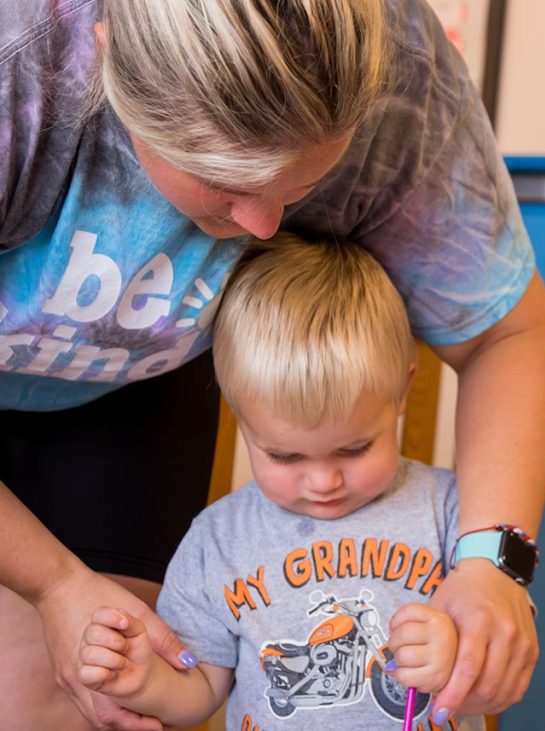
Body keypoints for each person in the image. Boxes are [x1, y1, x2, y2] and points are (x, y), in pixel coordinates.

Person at [0, 1, 545, 729]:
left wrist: (494, 565)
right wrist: (49, 583)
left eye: (298, 186)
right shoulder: (20, 60)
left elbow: (502, 336)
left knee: (76, 696)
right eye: (224, 181)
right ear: (108, 61)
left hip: (137, 382)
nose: (265, 226)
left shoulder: (403, 77)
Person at [77, 234, 487, 730]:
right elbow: (200, 688)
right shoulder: (218, 542)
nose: (323, 480)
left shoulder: (453, 511)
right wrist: (145, 683)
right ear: (241, 416)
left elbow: (507, 651)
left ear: (403, 388)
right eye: (285, 455)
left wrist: (458, 651)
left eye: (355, 448)